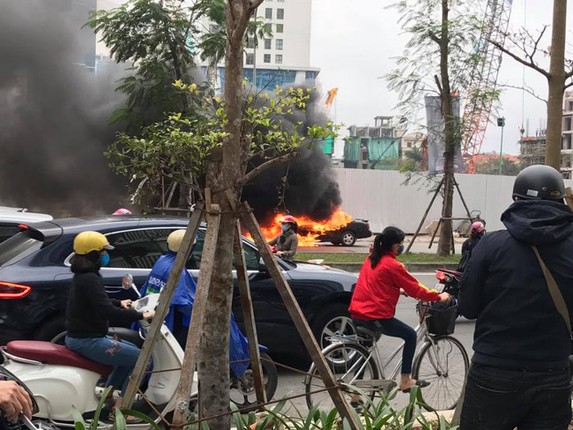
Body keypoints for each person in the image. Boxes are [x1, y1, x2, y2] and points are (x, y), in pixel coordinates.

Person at [458, 164, 573, 430]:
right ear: (560, 201)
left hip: (493, 372)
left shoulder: (490, 245)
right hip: (553, 372)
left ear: (516, 200)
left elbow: (469, 307)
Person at [349, 226, 450, 392]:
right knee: (410, 335)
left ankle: (355, 394)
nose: (401, 247)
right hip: (376, 316)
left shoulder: (371, 259)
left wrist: (397, 289)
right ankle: (405, 380)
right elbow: (416, 289)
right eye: (401, 243)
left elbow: (376, 282)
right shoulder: (393, 265)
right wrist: (439, 297)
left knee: (364, 350)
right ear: (395, 246)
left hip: (357, 313)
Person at [64, 231, 154, 417]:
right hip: (87, 340)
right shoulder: (89, 278)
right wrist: (141, 315)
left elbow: (99, 302)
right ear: (94, 254)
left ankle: (110, 398)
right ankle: (122, 409)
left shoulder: (85, 275)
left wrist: (119, 302)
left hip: (86, 335)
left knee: (130, 351)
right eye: (103, 251)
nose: (106, 255)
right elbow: (107, 312)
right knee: (142, 360)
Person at [139, 229, 250, 378]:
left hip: (160, 316)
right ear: (188, 248)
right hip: (175, 321)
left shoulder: (162, 261)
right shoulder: (177, 269)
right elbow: (182, 301)